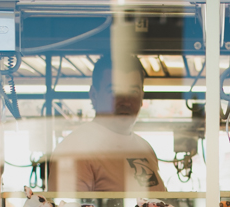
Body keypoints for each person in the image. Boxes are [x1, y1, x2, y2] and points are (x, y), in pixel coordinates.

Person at [48, 54, 166, 194]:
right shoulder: (75, 149)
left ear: (142, 97)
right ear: (94, 95)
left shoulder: (145, 148)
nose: (126, 101)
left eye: (133, 91)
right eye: (114, 91)